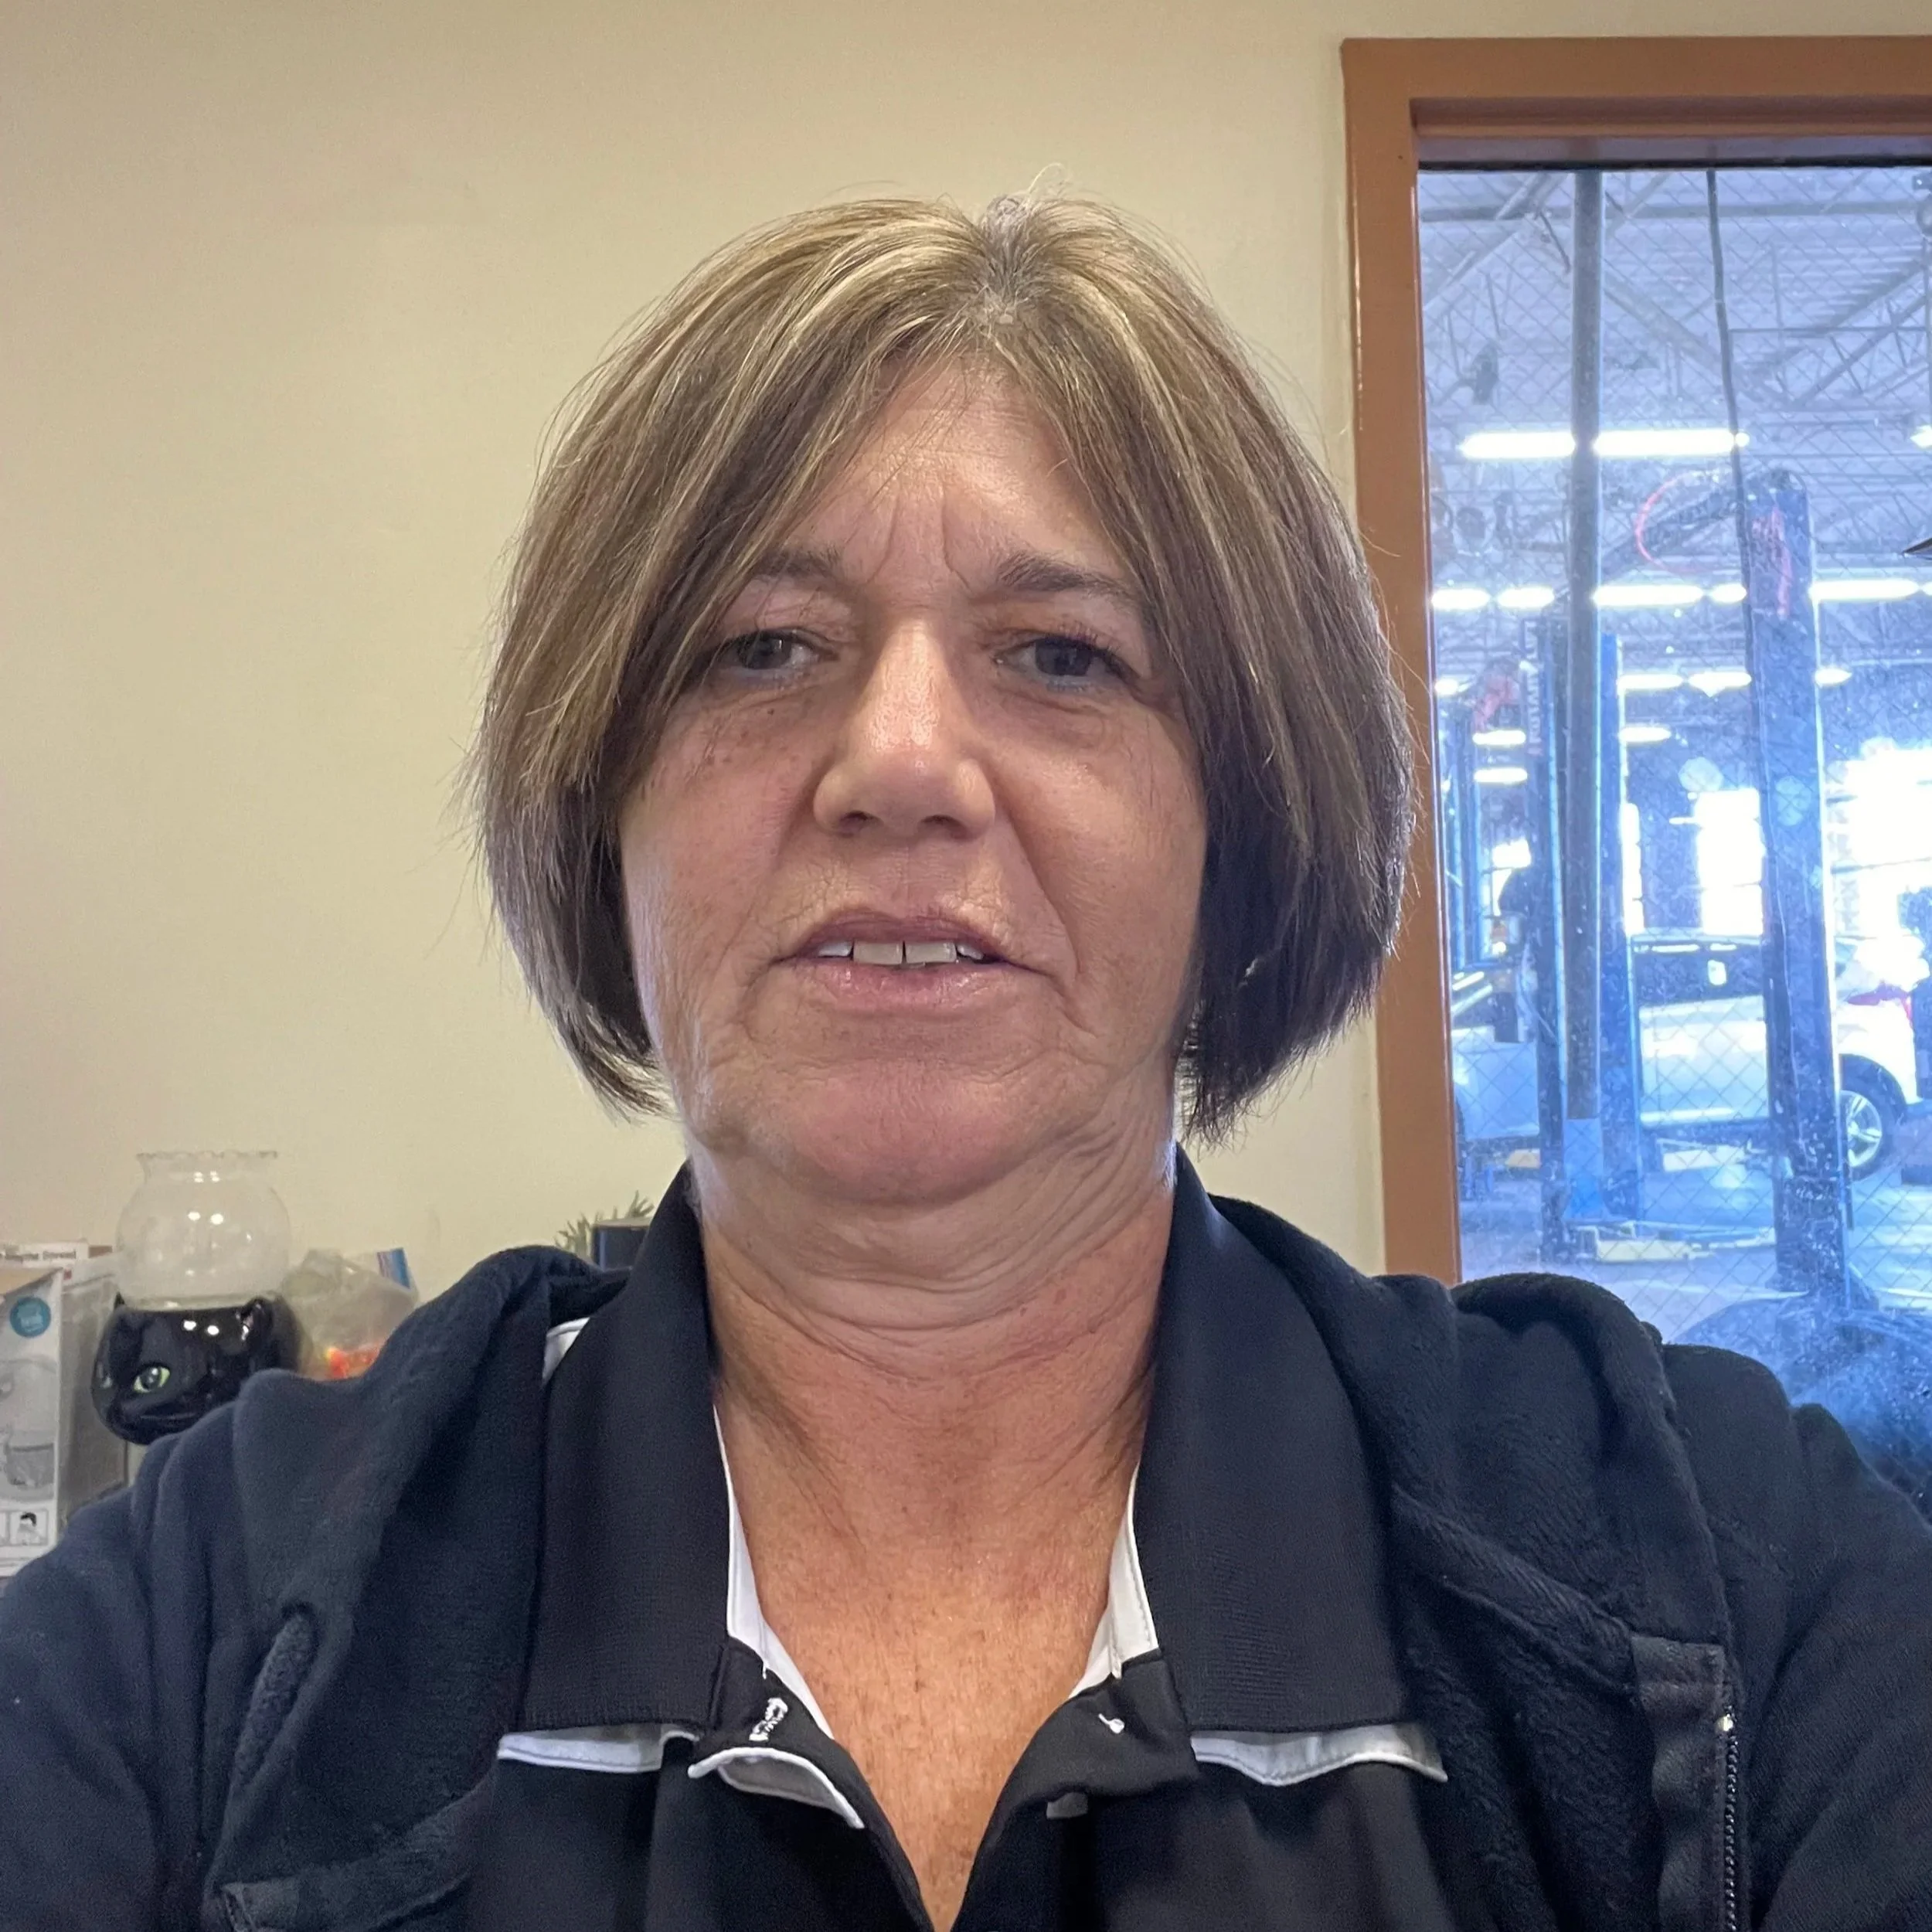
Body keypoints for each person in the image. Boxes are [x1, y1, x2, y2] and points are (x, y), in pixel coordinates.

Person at [4, 192, 1931, 1932]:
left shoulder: (1724, 1585)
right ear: (602, 803)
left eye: (1060, 656)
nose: (900, 762)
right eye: (761, 648)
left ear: (1239, 828)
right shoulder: (208, 1618)